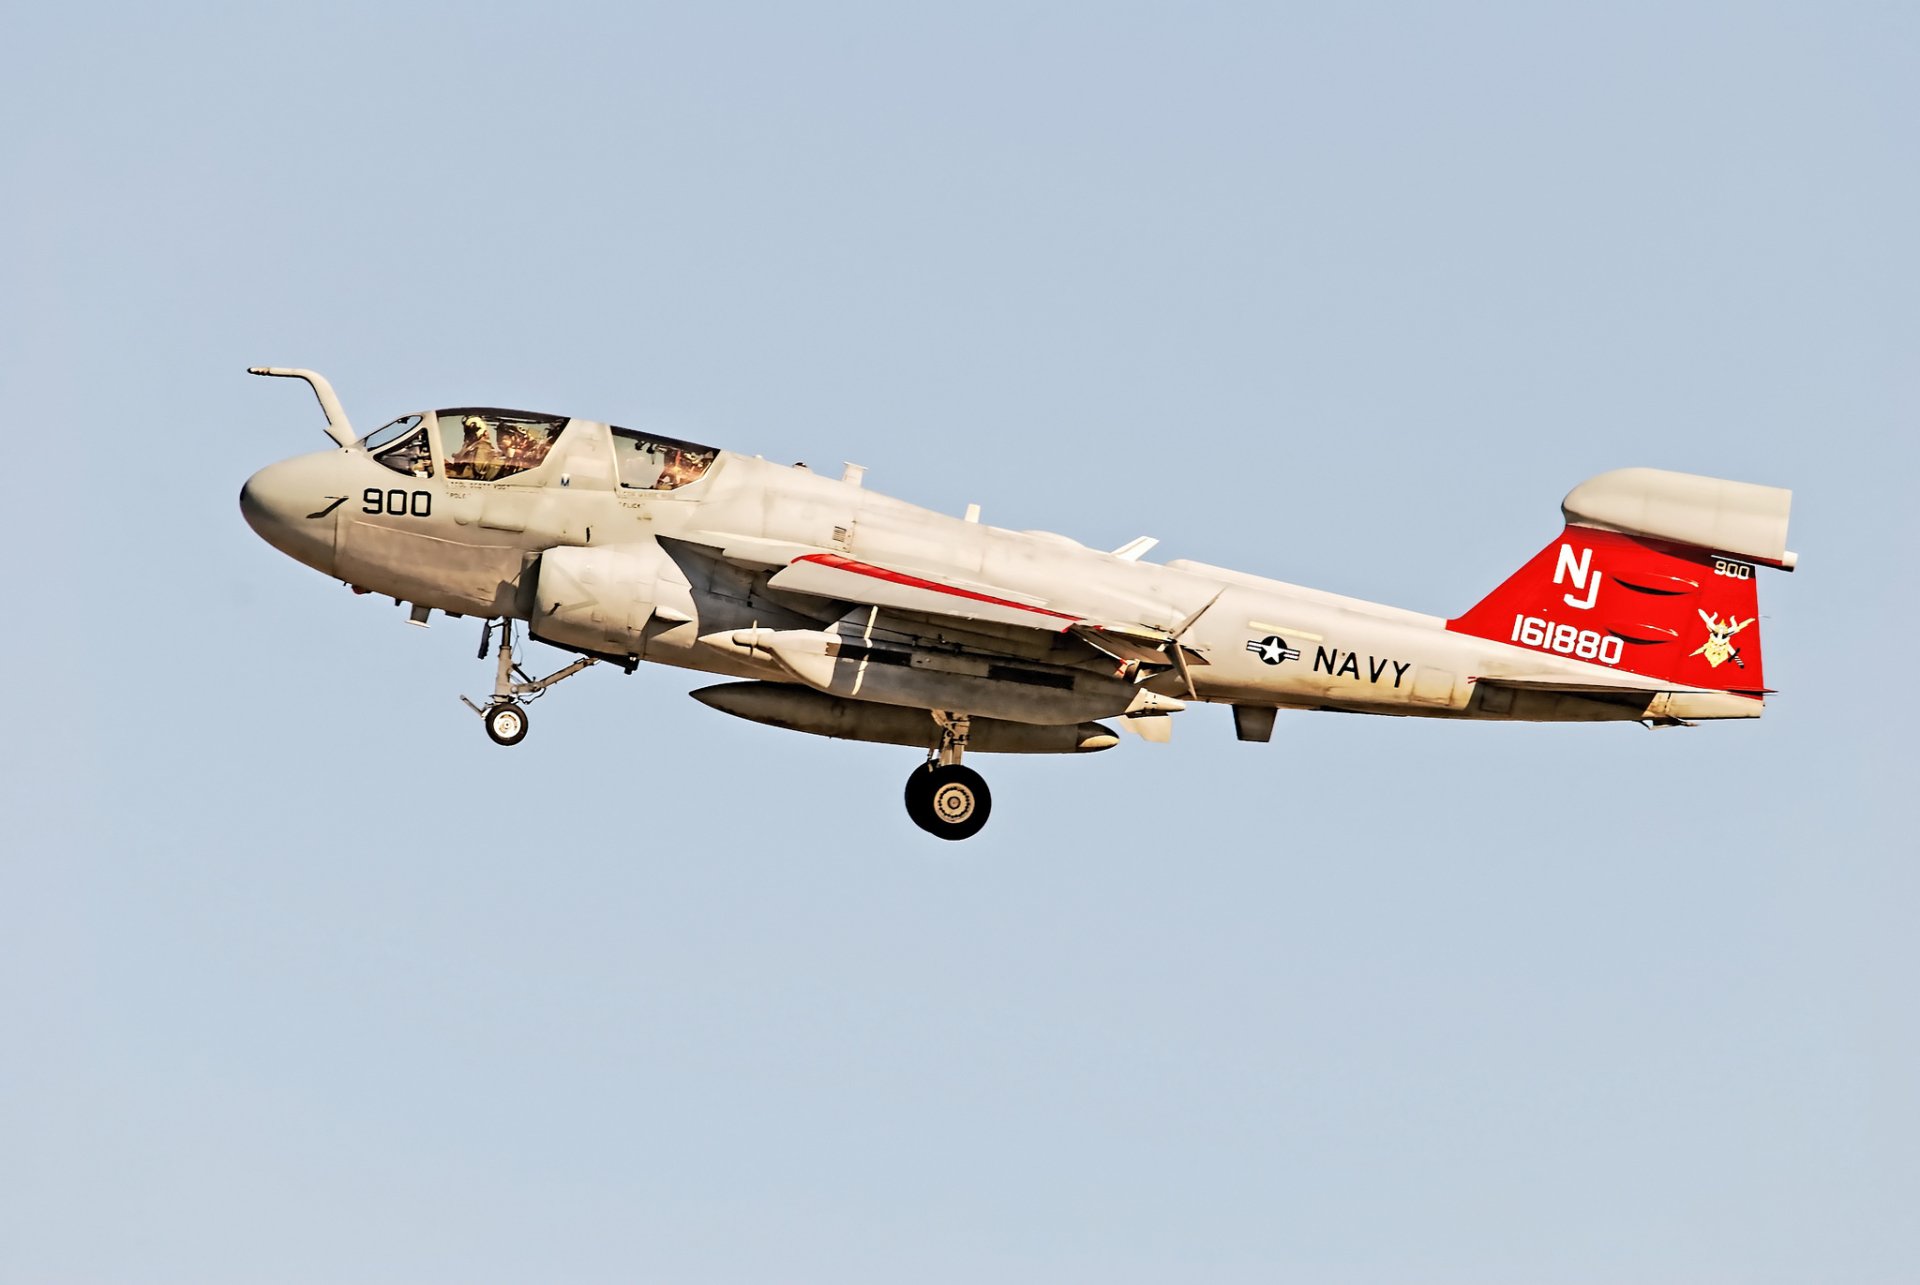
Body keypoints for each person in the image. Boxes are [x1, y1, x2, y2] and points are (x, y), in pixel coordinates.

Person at [448, 415, 503, 481]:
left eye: (471, 432)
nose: (468, 436)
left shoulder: (481, 449)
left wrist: (449, 474)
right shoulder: (470, 448)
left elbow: (472, 474)